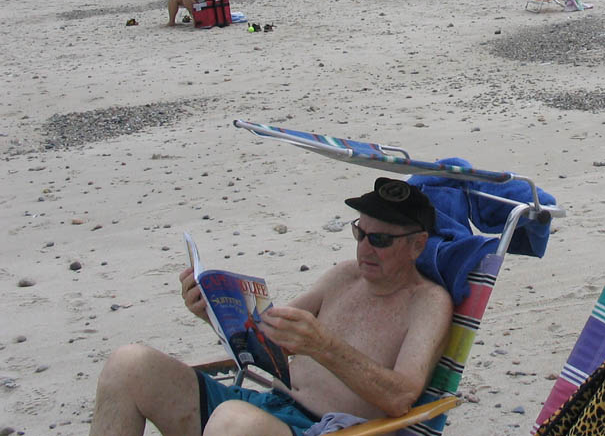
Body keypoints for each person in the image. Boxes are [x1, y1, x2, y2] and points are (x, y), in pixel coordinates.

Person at [88, 178, 453, 436]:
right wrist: (213, 313)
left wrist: (325, 346)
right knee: (129, 364)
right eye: (360, 232)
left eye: (381, 240)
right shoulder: (345, 276)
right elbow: (266, 334)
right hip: (267, 409)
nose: (364, 249)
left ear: (418, 245)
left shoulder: (428, 303)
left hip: (327, 429)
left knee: (232, 421)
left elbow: (401, 397)